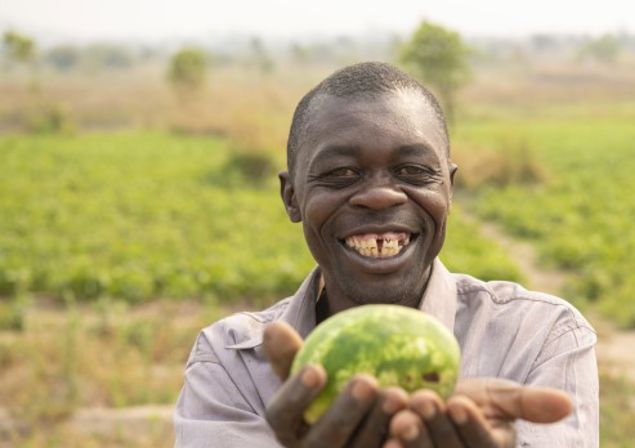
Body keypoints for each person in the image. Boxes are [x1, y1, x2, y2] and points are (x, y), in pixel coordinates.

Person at [174, 62, 598, 447]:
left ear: (447, 190)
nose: (380, 196)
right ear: (292, 197)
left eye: (413, 172)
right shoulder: (233, 361)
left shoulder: (539, 337)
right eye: (341, 173)